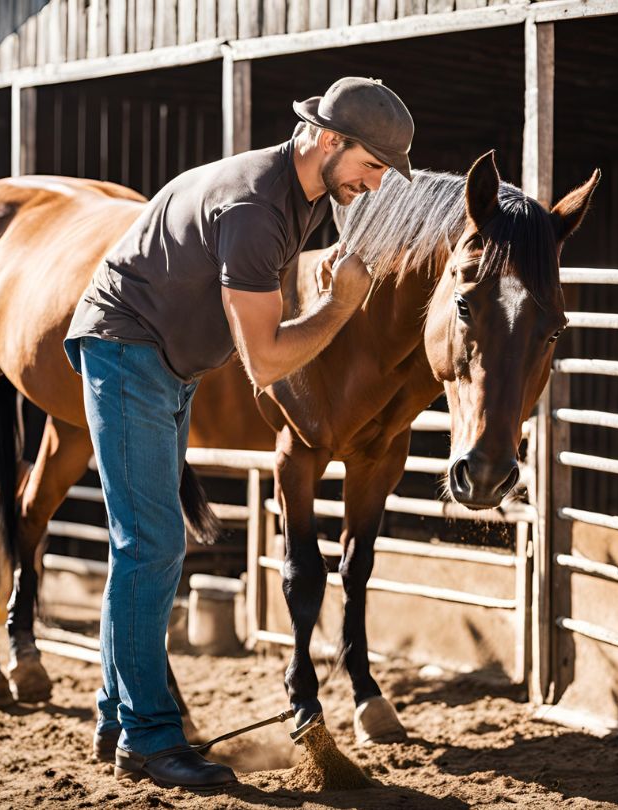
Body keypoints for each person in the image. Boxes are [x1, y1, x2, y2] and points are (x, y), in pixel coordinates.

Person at [63, 76, 414, 792]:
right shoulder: (258, 206)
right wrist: (344, 309)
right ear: (328, 140)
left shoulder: (302, 197)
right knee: (152, 544)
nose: (377, 185)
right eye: (373, 166)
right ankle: (151, 741)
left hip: (166, 360)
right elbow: (264, 360)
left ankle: (114, 716)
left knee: (144, 545)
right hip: (127, 350)